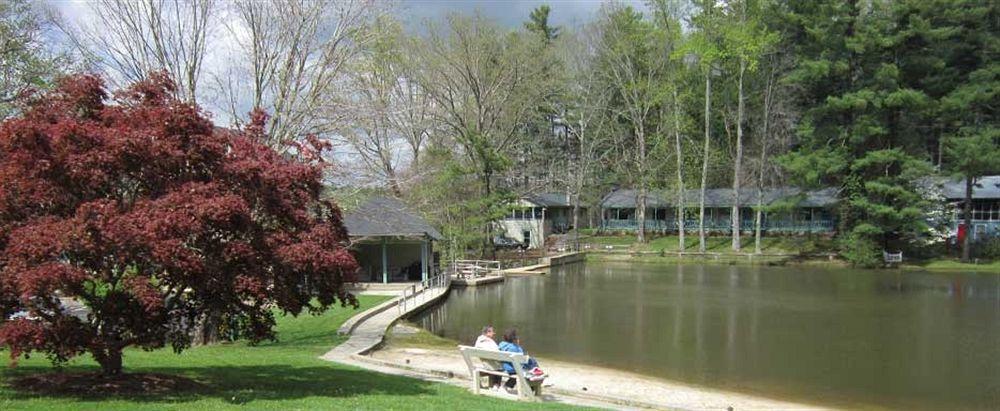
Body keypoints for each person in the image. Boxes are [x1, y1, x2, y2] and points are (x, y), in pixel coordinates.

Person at [474, 325, 502, 390]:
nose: (494, 333)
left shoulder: (479, 341)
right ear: (488, 332)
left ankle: (484, 385)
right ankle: (496, 385)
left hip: (484, 363)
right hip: (492, 365)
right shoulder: (490, 342)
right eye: (492, 332)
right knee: (500, 366)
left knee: (494, 364)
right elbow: (498, 353)